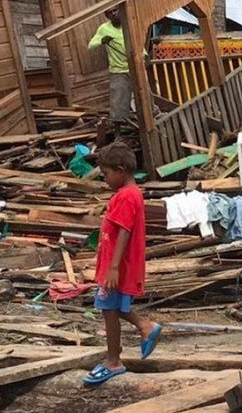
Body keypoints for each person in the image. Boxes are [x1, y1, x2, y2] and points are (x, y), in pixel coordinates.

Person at [82, 143, 162, 386]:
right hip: (115, 264)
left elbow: (125, 231)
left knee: (109, 310)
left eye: (106, 174)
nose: (105, 179)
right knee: (112, 307)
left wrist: (114, 267)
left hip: (118, 266)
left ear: (120, 170)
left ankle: (114, 361)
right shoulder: (128, 194)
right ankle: (145, 326)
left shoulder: (127, 196)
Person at [88, 9, 131, 124]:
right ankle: (118, 134)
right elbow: (91, 46)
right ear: (107, 16)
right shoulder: (104, 29)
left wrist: (145, 56)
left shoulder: (129, 24)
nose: (114, 14)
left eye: (116, 10)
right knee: (118, 103)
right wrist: (102, 41)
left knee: (146, 97)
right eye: (110, 13)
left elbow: (137, 42)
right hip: (118, 71)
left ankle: (152, 120)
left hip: (135, 68)